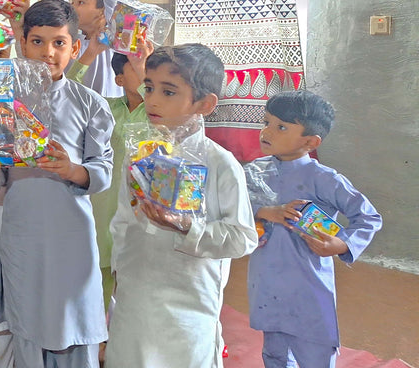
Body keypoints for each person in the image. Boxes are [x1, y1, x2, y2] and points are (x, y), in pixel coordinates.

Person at [0, 0, 115, 368]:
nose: (47, 52)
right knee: (28, 331)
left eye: (59, 43)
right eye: (37, 41)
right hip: (22, 234)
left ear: (75, 48)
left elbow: (102, 170)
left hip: (71, 238)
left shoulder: (91, 103)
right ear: (22, 43)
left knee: (74, 333)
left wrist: (71, 170)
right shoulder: (2, 100)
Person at [106, 44, 258, 368]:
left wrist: (185, 226)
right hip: (135, 292)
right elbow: (122, 218)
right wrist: (120, 268)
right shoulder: (141, 154)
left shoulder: (220, 164)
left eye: (169, 91)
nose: (153, 100)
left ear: (205, 104)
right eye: (149, 87)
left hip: (188, 300)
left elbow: (243, 237)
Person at [248, 90, 382, 368]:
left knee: (315, 353)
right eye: (267, 122)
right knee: (274, 352)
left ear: (310, 141)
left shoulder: (324, 178)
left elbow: (368, 217)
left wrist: (342, 244)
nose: (267, 131)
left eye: (281, 126)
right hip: (266, 279)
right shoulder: (254, 171)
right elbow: (235, 207)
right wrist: (265, 212)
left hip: (307, 283)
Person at [69, 45, 151, 314]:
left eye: (148, 67)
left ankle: (123, 344)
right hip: (104, 210)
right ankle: (99, 343)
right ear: (119, 79)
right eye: (137, 68)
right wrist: (91, 52)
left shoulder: (156, 113)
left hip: (141, 214)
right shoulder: (105, 108)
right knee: (98, 283)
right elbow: (68, 89)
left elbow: (152, 96)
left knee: (135, 288)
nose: (145, 73)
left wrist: (141, 66)